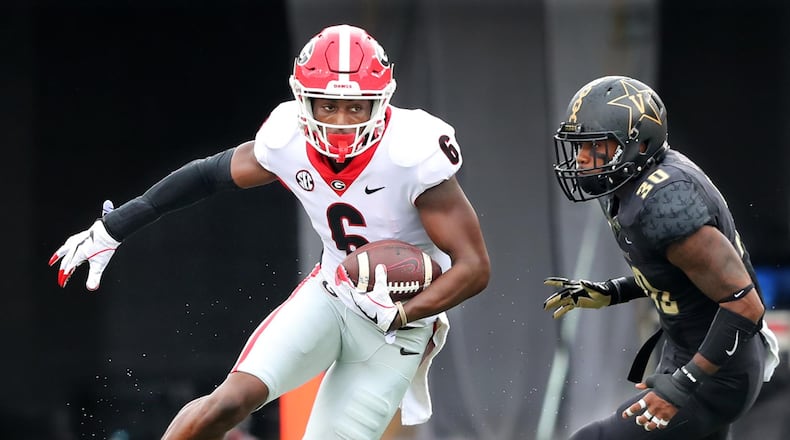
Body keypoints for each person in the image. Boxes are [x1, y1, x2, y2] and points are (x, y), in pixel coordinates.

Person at [49, 24, 490, 439]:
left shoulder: (412, 151)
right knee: (228, 401)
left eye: (355, 106)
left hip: (399, 323)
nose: (340, 121)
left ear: (381, 102)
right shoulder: (288, 138)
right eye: (328, 105)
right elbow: (206, 175)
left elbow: (474, 267)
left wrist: (402, 313)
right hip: (332, 293)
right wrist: (114, 227)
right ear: (304, 101)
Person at [542, 75, 780, 439]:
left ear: (637, 145)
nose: (583, 159)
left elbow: (744, 304)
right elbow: (678, 273)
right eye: (580, 146)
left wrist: (685, 383)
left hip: (716, 372)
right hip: (690, 353)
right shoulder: (628, 182)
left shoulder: (665, 201)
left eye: (596, 146)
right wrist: (614, 291)